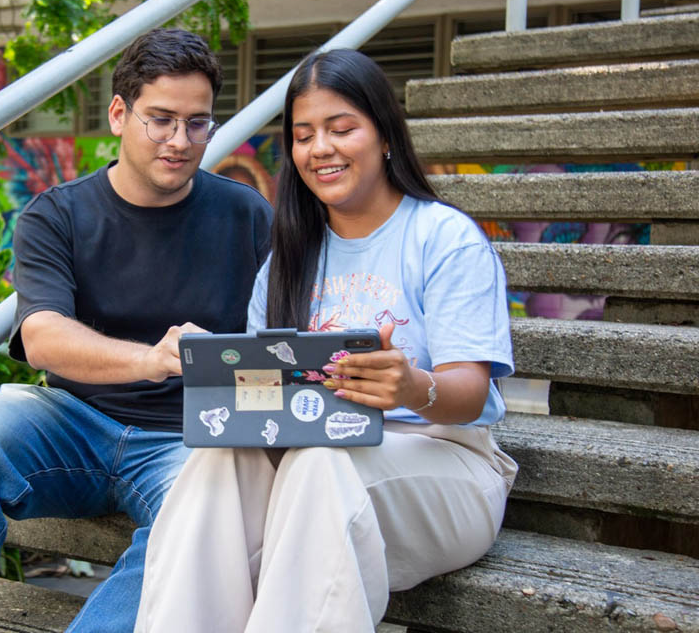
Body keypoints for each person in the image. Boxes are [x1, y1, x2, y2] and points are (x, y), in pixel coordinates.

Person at [134, 49, 518, 633]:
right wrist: (222, 373)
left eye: (342, 129)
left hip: (444, 463)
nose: (321, 149)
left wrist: (411, 385)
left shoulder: (444, 239)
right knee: (215, 460)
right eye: (304, 134)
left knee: (318, 465)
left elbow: (469, 396)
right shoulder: (289, 258)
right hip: (313, 462)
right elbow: (270, 401)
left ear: (384, 134)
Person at [0, 28, 273, 633]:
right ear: (118, 114)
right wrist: (152, 359)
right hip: (71, 425)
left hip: (190, 441)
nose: (180, 141)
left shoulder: (247, 214)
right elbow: (44, 337)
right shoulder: (57, 214)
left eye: (198, 123)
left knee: (205, 510)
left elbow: (276, 338)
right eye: (160, 120)